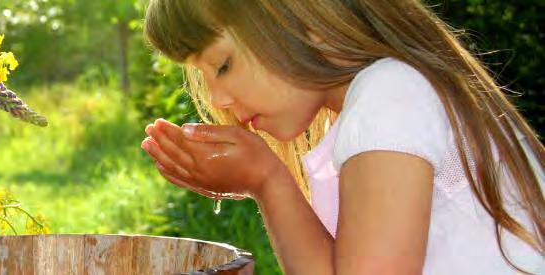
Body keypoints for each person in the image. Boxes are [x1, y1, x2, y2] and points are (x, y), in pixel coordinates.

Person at [139, 1, 544, 274]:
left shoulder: (389, 95)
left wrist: (267, 178)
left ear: (298, 18)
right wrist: (267, 182)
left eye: (222, 65)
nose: (216, 98)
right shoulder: (378, 103)